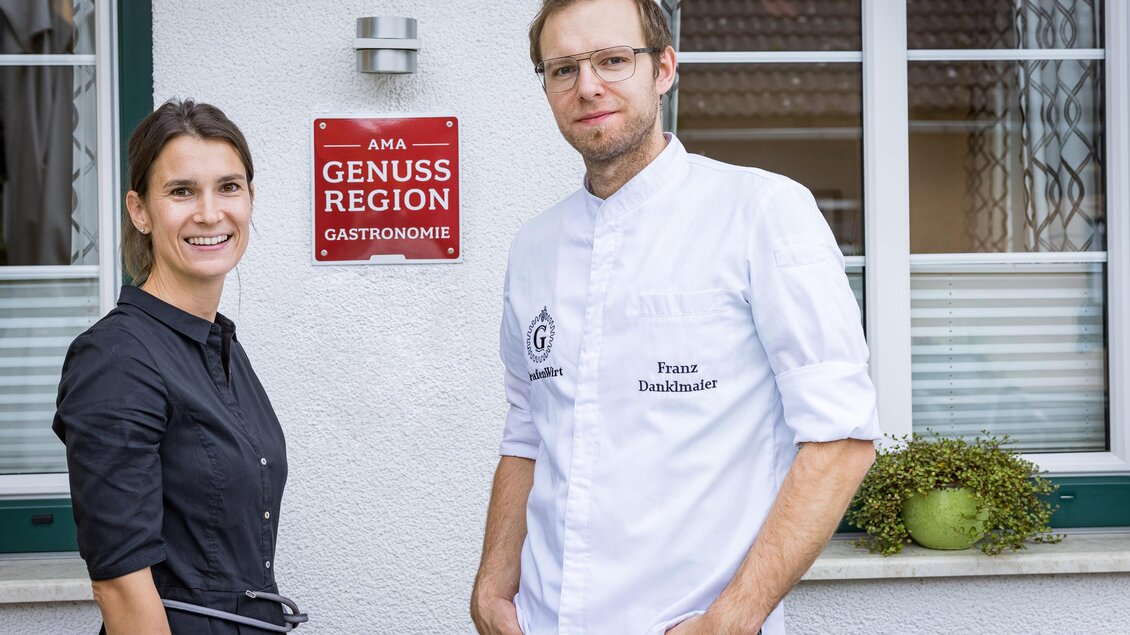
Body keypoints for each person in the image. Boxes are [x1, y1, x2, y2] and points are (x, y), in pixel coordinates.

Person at [470, 1, 881, 634]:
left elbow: (840, 439)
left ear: (664, 67)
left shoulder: (762, 212)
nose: (587, 87)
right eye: (562, 69)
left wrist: (732, 620)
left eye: (612, 59)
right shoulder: (535, 247)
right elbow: (527, 430)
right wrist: (493, 589)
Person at [54, 99, 302, 634]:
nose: (210, 213)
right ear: (140, 210)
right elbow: (120, 582)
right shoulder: (117, 359)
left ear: (251, 200)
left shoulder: (223, 349)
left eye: (228, 187)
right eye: (182, 191)